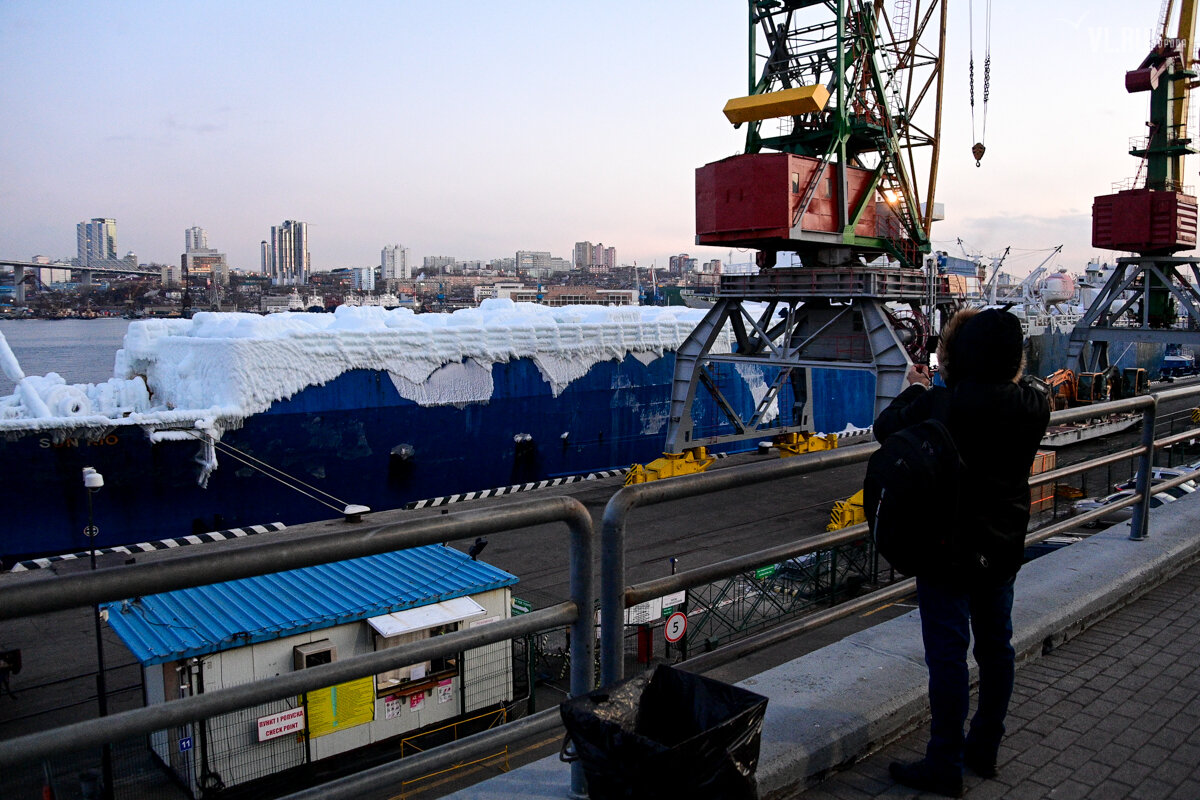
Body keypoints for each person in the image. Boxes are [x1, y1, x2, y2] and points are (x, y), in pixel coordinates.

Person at [874, 308, 1050, 797]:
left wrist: (916, 386)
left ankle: (944, 763)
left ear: (962, 356)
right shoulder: (1034, 405)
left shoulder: (943, 405)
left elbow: (885, 428)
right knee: (997, 651)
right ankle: (985, 748)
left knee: (949, 658)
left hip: (946, 552)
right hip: (1002, 547)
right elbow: (1027, 385)